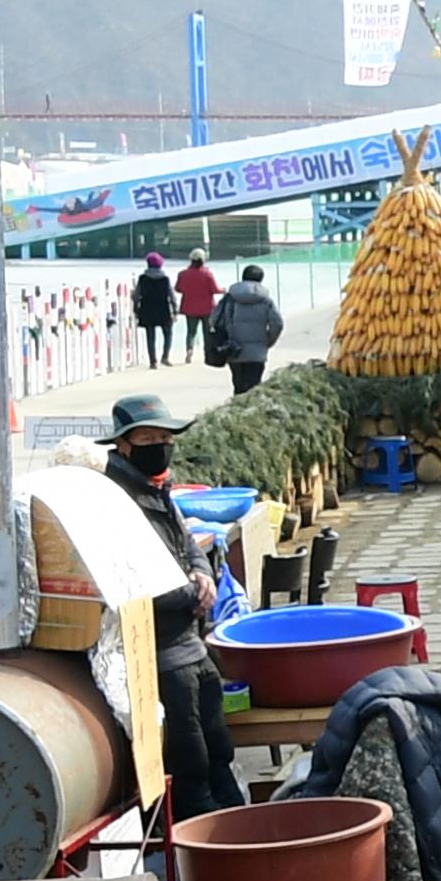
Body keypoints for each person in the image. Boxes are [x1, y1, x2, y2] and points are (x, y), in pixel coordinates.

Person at [102, 392, 245, 820]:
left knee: (220, 748)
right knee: (191, 764)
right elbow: (130, 581)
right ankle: (205, 850)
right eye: (148, 437)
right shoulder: (116, 502)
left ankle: (242, 828)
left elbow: (189, 546)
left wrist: (202, 574)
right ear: (123, 445)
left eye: (165, 437)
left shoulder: (158, 490)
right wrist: (191, 594)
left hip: (193, 647)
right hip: (161, 657)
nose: (159, 446)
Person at [211, 266, 282, 397]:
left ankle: (236, 414)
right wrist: (268, 341)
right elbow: (277, 323)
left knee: (238, 387)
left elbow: (214, 319)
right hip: (257, 353)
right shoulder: (266, 300)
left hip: (233, 349)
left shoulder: (230, 298)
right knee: (254, 389)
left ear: (243, 278)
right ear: (261, 279)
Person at [173, 249, 220, 363]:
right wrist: (224, 290)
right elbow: (215, 289)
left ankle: (190, 349)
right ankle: (207, 354)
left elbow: (178, 288)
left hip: (190, 307)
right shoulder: (207, 274)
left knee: (191, 332)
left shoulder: (183, 274)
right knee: (207, 332)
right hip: (207, 308)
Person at [129, 254, 174, 369]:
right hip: (163, 309)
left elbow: (137, 295)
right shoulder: (165, 279)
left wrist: (135, 309)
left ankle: (153, 361)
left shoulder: (143, 279)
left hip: (147, 309)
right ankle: (165, 357)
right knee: (168, 334)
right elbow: (171, 296)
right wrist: (175, 309)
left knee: (150, 336)